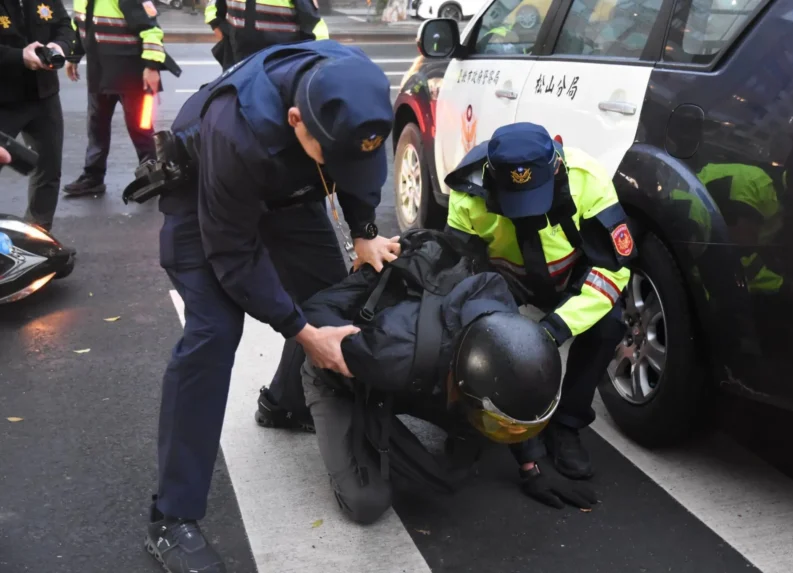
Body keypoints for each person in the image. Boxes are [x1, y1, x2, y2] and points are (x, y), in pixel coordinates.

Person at [144, 40, 400, 573]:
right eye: (334, 154)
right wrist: (301, 330)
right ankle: (171, 518)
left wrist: (365, 233)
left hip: (288, 190)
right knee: (214, 333)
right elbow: (234, 256)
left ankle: (283, 404)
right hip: (207, 197)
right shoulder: (237, 128)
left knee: (331, 299)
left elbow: (360, 169)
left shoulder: (357, 93)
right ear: (295, 121)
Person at [297, 228, 598, 525]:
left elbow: (510, 387)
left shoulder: (502, 317)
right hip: (345, 371)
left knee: (488, 427)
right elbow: (314, 319)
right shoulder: (390, 352)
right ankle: (286, 403)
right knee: (366, 502)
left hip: (436, 367)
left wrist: (533, 464)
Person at [444, 123, 636, 481]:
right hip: (506, 280)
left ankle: (566, 425)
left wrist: (555, 328)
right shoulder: (466, 197)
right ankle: (486, 423)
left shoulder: (588, 179)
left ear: (557, 168)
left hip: (570, 277)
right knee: (476, 334)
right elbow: (462, 279)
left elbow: (612, 271)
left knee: (607, 325)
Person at [61, 0, 179, 196]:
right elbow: (80, 26)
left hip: (133, 74)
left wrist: (151, 66)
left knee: (140, 129)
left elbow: (151, 31)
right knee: (96, 126)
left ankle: (150, 177)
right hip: (99, 73)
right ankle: (93, 177)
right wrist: (73, 55)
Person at [0, 0, 75, 231]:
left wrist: (60, 46)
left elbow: (65, 24)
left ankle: (38, 237)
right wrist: (19, 57)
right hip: (4, 99)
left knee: (48, 169)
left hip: (44, 95)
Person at [204, 0, 329, 70]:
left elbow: (313, 25)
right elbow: (214, 10)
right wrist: (216, 25)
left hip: (278, 69)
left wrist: (319, 61)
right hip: (238, 68)